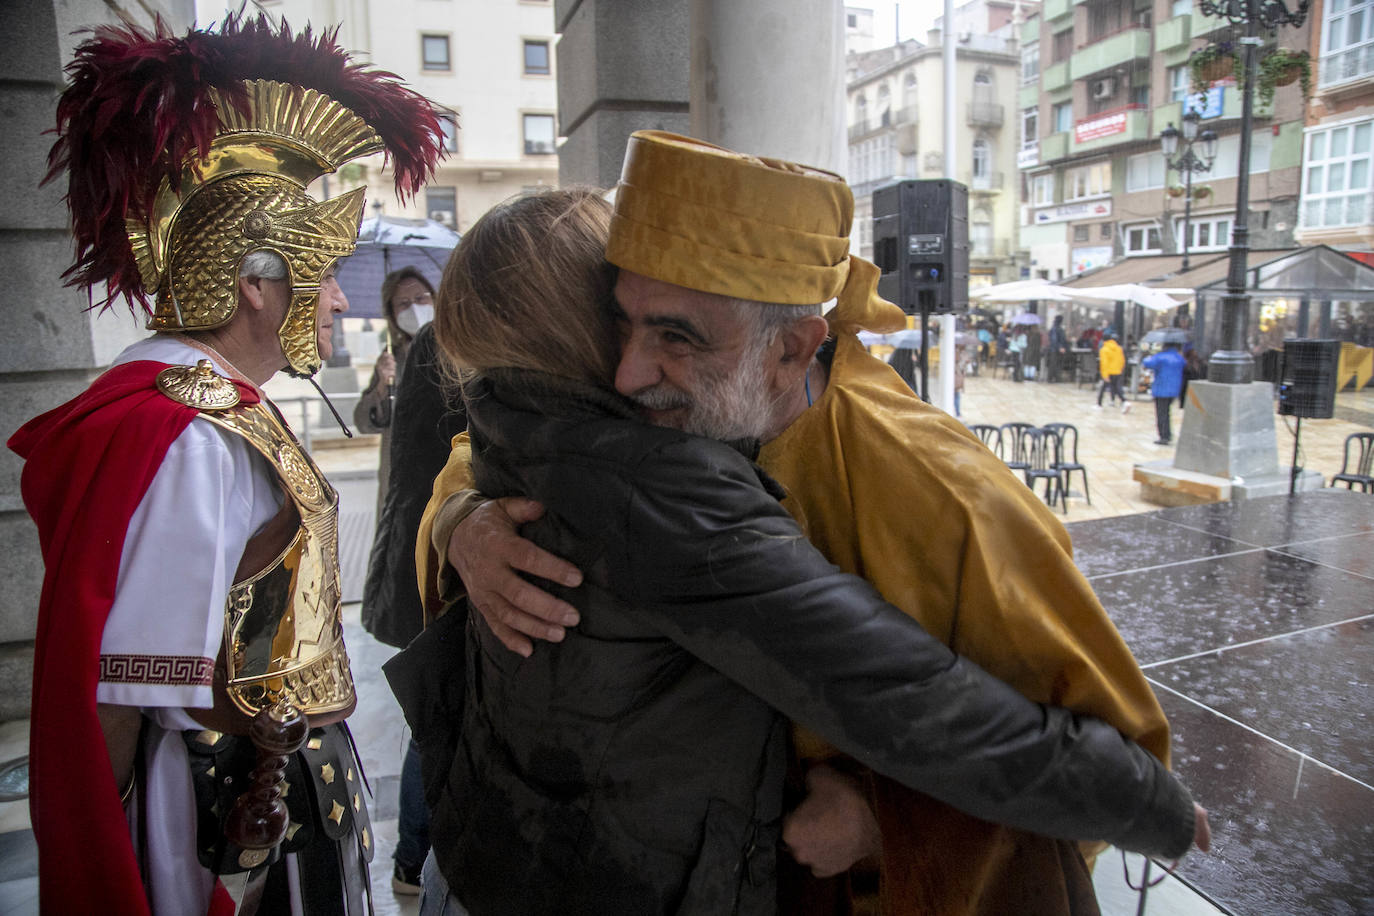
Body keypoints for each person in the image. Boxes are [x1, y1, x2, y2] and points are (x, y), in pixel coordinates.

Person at [428, 134, 1205, 915]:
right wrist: (460, 524)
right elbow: (505, 445)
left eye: (677, 336)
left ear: (793, 349)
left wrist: (881, 818)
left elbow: (1075, 762)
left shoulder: (940, 492)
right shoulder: (645, 424)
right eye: (620, 326)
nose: (627, 372)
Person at [7, 16, 444, 915]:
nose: (336, 300)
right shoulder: (192, 434)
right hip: (229, 820)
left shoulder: (190, 409)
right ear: (255, 280)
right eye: (321, 273)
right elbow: (131, 695)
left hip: (269, 789)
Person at [360, 321, 468, 896]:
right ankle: (410, 857)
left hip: (424, 542)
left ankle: (411, 856)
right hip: (433, 553)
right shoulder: (451, 339)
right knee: (435, 710)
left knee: (431, 708)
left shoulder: (433, 336)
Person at [354, 266, 438, 517]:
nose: (414, 307)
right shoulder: (391, 359)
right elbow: (364, 423)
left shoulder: (459, 350)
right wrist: (381, 384)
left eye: (421, 298)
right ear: (392, 313)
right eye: (403, 303)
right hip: (403, 478)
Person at [1143, 341, 1187, 445]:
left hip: (1161, 389)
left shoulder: (1161, 357)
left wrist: (1147, 356)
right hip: (1174, 390)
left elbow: (1148, 363)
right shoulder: (1179, 358)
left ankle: (1164, 436)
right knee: (1167, 412)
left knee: (1161, 413)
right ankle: (1167, 434)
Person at [1096, 330, 1129, 412]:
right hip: (1117, 371)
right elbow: (1122, 360)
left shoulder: (1104, 349)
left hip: (1108, 372)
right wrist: (1120, 369)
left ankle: (1099, 404)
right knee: (1116, 387)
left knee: (1103, 388)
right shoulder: (1118, 348)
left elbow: (1104, 363)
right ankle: (1124, 401)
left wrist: (1105, 375)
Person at [1047, 314, 1070, 382]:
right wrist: (1060, 347)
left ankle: (1055, 378)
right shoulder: (1056, 328)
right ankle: (1053, 378)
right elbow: (1055, 339)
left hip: (1056, 348)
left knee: (1056, 363)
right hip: (1055, 349)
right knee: (1055, 363)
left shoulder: (1056, 327)